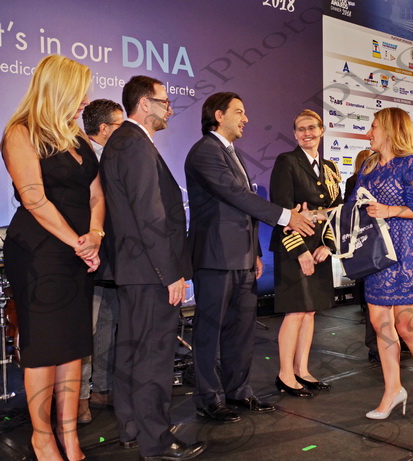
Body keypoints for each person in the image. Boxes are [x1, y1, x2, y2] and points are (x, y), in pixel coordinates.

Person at [185, 93, 315, 419]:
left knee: (241, 331)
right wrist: (286, 216)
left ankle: (238, 391)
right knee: (209, 332)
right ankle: (209, 399)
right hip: (215, 258)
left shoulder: (233, 153)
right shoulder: (205, 151)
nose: (245, 119)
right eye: (239, 112)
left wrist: (255, 252)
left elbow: (244, 209)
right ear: (218, 115)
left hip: (242, 258)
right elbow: (236, 196)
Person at [1, 54, 103, 461]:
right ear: (58, 89)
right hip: (39, 253)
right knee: (45, 348)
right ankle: (42, 439)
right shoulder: (20, 132)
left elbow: (96, 194)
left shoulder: (76, 137)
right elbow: (33, 199)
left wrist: (95, 235)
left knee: (74, 346)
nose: (85, 101)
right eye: (80, 93)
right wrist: (78, 242)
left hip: (78, 252)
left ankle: (69, 437)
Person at [100, 76, 205, 460]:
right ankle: (156, 442)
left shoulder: (122, 142)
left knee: (132, 353)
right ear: (145, 103)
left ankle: (133, 428)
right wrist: (170, 273)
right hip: (150, 272)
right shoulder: (134, 144)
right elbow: (150, 215)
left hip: (135, 270)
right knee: (153, 358)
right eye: (165, 102)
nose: (170, 110)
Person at [343, 107, 413, 418]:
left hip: (406, 249)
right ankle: (393, 389)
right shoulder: (369, 165)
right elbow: (353, 205)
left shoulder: (411, 162)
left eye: (373, 127)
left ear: (389, 128)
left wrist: (389, 210)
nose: (368, 133)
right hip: (377, 251)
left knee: (407, 324)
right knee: (380, 323)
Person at [269, 109, 342, 397]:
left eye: (312, 127)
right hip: (294, 248)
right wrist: (300, 251)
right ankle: (285, 374)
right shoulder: (287, 162)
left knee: (310, 311)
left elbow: (337, 211)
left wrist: (329, 245)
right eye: (301, 129)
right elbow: (282, 211)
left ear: (322, 130)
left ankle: (302, 369)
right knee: (296, 311)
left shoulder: (330, 167)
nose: (307, 133)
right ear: (294, 134)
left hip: (319, 247)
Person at [78, 98, 124, 423]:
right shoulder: (81, 157)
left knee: (109, 322)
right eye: (120, 125)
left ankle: (102, 389)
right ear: (105, 128)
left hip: (114, 255)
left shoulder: (117, 157)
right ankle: (79, 398)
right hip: (87, 253)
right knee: (86, 328)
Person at [344, 149, 380, 362]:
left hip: (384, 244)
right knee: (373, 301)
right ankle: (375, 346)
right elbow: (349, 212)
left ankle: (385, 345)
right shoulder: (355, 182)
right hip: (368, 244)